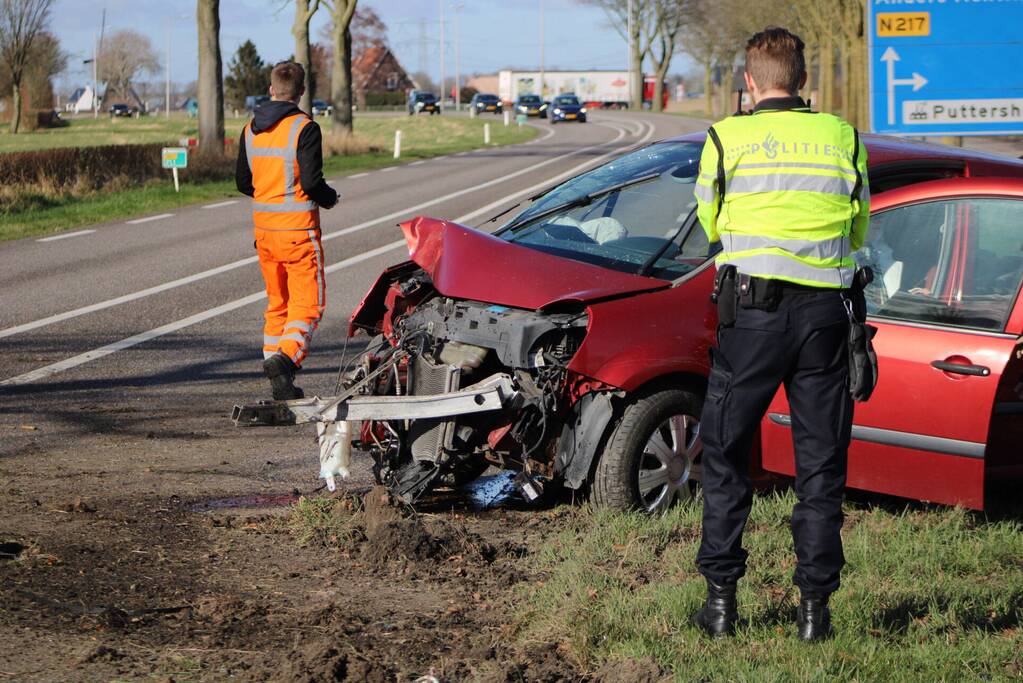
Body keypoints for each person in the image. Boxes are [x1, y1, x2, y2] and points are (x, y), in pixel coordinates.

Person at [691, 27, 870, 641]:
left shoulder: (725, 137)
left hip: (753, 316)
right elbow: (857, 226)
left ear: (749, 82)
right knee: (820, 465)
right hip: (825, 317)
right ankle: (815, 615)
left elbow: (709, 219)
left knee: (724, 453)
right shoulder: (842, 136)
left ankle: (721, 607)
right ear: (801, 81)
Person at [236, 61, 339, 400]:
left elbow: (242, 181)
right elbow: (310, 183)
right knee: (308, 305)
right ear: (302, 91)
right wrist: (329, 198)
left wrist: (269, 195)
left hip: (264, 233)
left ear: (271, 89)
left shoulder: (250, 129)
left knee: (277, 304)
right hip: (298, 232)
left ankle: (278, 380)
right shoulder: (304, 128)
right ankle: (287, 359)